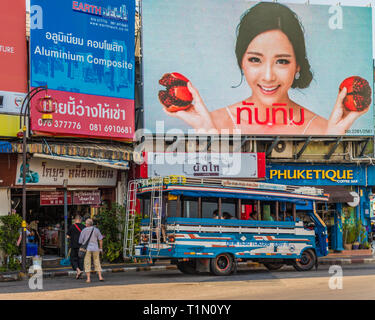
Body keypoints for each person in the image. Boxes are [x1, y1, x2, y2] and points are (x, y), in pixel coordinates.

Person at [162, 2, 368, 135]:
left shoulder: (324, 129)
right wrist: (207, 132)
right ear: (241, 61)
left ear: (298, 65)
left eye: (282, 61)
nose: (268, 76)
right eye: (255, 60)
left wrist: (332, 141)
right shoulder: (212, 122)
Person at [78, 218, 104, 283]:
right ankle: (100, 277)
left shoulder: (84, 230)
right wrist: (101, 248)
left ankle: (88, 278)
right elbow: (100, 239)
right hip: (95, 248)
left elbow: (80, 241)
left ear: (86, 224)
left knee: (87, 262)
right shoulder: (96, 230)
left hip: (87, 249)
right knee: (97, 261)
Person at [66, 215, 85, 279]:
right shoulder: (84, 227)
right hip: (82, 245)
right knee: (81, 259)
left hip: (74, 245)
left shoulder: (72, 226)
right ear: (80, 220)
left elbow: (67, 236)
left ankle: (78, 270)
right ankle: (80, 274)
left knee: (73, 259)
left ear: (75, 220)